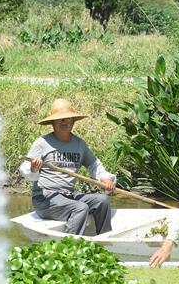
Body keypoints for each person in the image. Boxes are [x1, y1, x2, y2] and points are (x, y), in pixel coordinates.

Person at [20, 98, 116, 235]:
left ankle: (105, 240)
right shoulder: (42, 143)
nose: (64, 122)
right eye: (59, 119)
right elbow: (25, 169)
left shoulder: (80, 144)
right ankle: (69, 246)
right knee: (81, 208)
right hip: (45, 198)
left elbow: (94, 165)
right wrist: (33, 168)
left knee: (102, 201)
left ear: (73, 122)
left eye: (67, 119)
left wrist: (106, 179)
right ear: (52, 123)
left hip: (68, 196)